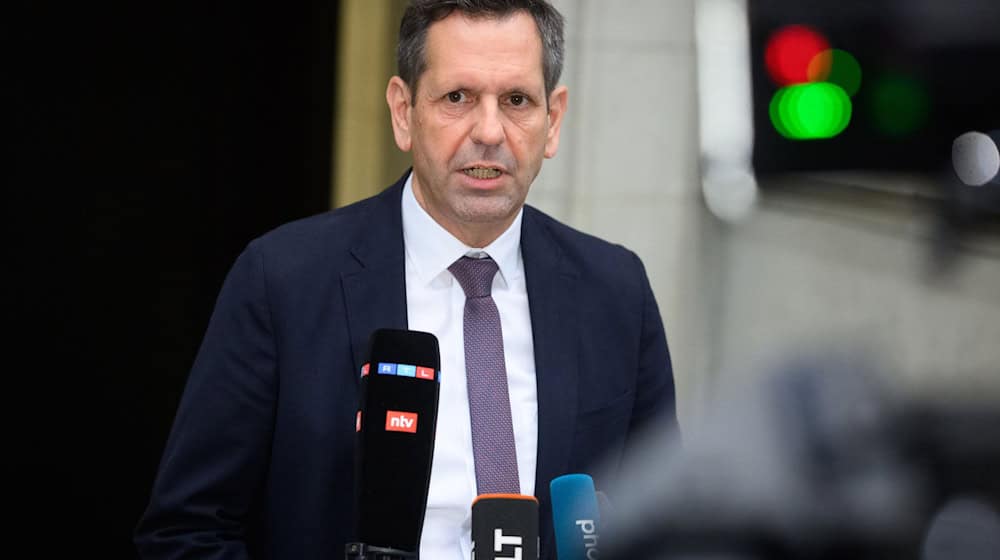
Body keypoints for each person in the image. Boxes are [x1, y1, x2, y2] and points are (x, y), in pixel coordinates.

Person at [134, 1, 677, 558]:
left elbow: (671, 529)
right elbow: (188, 532)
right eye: (457, 98)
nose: (489, 131)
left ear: (553, 120)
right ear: (403, 111)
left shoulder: (616, 291)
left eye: (516, 100)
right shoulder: (284, 280)